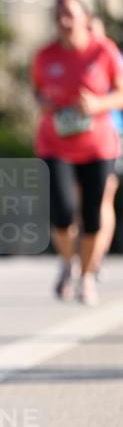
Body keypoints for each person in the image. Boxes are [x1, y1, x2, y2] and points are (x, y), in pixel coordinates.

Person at [32, 0, 123, 306]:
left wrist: (99, 103)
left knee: (92, 216)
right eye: (59, 15)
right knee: (62, 212)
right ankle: (66, 262)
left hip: (98, 146)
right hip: (55, 144)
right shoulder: (46, 55)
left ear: (85, 18)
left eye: (69, 14)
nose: (64, 21)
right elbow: (37, 90)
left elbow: (121, 94)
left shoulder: (104, 51)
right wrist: (42, 102)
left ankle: (85, 276)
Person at [89, 16, 122, 273]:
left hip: (112, 136)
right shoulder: (75, 60)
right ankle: (85, 252)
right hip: (78, 140)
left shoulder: (113, 58)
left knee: (103, 196)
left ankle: (97, 255)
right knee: (80, 202)